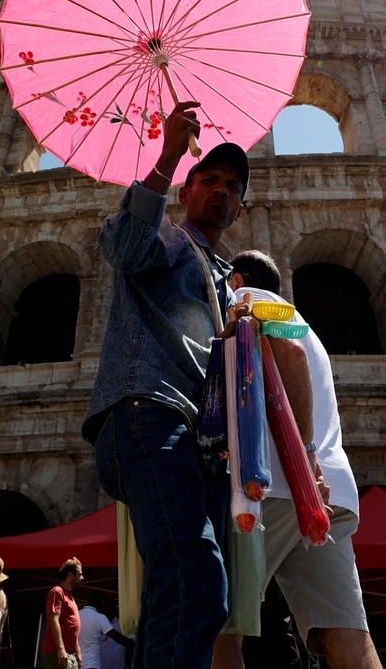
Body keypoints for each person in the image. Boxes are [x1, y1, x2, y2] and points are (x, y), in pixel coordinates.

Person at [84, 99, 253, 668]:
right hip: (149, 411)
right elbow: (125, 249)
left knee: (171, 596)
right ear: (187, 191)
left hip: (199, 444)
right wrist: (167, 156)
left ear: (240, 209)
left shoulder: (225, 277)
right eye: (209, 180)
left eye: (233, 187)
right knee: (198, 579)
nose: (221, 191)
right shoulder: (172, 239)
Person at [213, 251, 380, 669]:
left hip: (280, 482)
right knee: (347, 632)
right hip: (332, 492)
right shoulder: (310, 329)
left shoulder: (245, 297)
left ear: (235, 279)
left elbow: (287, 354)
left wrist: (304, 458)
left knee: (220, 629)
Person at [40, 559, 82, 669]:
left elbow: (71, 627)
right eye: (79, 575)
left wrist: (77, 650)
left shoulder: (70, 596)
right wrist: (61, 649)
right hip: (57, 653)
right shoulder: (57, 592)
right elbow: (53, 620)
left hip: (69, 653)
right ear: (70, 575)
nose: (82, 578)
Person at [75, 594, 131, 669]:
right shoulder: (100, 617)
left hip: (78, 663)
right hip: (92, 664)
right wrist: (134, 644)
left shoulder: (76, 615)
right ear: (101, 604)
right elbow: (116, 637)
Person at [95, 597, 128, 669]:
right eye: (106, 607)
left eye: (111, 607)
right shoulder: (99, 624)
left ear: (115, 608)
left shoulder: (121, 625)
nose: (108, 610)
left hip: (118, 665)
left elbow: (130, 643)